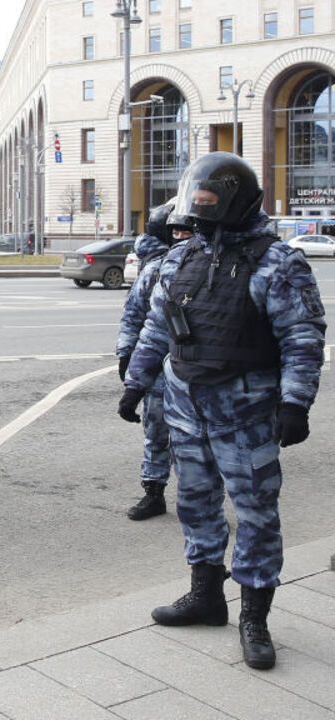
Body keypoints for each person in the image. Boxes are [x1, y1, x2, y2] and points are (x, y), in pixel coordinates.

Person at [120, 152, 325, 671]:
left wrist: (295, 403)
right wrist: (136, 383)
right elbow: (158, 329)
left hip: (246, 410)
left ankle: (254, 618)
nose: (200, 209)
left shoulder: (277, 262)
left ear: (235, 200)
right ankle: (206, 596)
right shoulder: (177, 259)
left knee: (255, 514)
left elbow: (301, 338)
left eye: (210, 201)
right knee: (195, 503)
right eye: (197, 200)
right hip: (186, 405)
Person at [115, 200, 193, 521]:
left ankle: (197, 499)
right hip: (159, 368)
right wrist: (126, 355)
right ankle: (154, 493)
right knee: (156, 431)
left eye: (186, 230)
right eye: (175, 230)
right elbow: (134, 316)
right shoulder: (156, 268)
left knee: (195, 439)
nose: (181, 236)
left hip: (197, 367)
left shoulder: (211, 263)